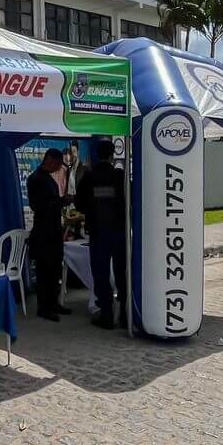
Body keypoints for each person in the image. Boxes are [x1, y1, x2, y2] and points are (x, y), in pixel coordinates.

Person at [75, 140, 127, 329]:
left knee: (101, 273)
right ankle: (124, 314)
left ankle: (106, 313)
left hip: (98, 232)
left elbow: (79, 204)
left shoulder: (89, 177)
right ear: (113, 155)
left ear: (97, 155)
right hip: (119, 231)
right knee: (122, 272)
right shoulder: (119, 176)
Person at [26, 148, 71, 322]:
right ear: (49, 160)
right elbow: (39, 206)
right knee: (45, 270)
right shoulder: (36, 179)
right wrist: (62, 201)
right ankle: (44, 307)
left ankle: (54, 302)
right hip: (43, 232)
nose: (59, 168)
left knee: (54, 269)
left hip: (53, 230)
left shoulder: (48, 179)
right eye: (58, 164)